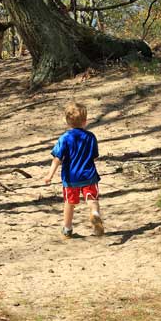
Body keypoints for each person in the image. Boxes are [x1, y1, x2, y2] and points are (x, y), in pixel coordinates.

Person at [44, 102, 104, 238]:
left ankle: (67, 228)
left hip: (71, 178)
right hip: (89, 175)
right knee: (92, 199)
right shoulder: (91, 137)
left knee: (70, 203)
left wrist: (50, 175)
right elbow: (94, 157)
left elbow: (57, 158)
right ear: (85, 121)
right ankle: (95, 214)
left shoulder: (64, 138)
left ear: (67, 122)